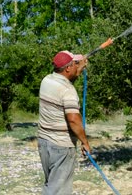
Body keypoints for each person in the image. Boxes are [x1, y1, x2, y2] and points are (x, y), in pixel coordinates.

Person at [37, 50, 92, 195]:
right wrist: (84, 142)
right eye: (75, 63)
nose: (77, 65)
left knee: (51, 185)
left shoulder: (47, 80)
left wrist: (78, 69)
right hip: (61, 146)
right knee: (58, 191)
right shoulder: (68, 90)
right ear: (67, 68)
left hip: (44, 142)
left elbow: (66, 80)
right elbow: (73, 119)